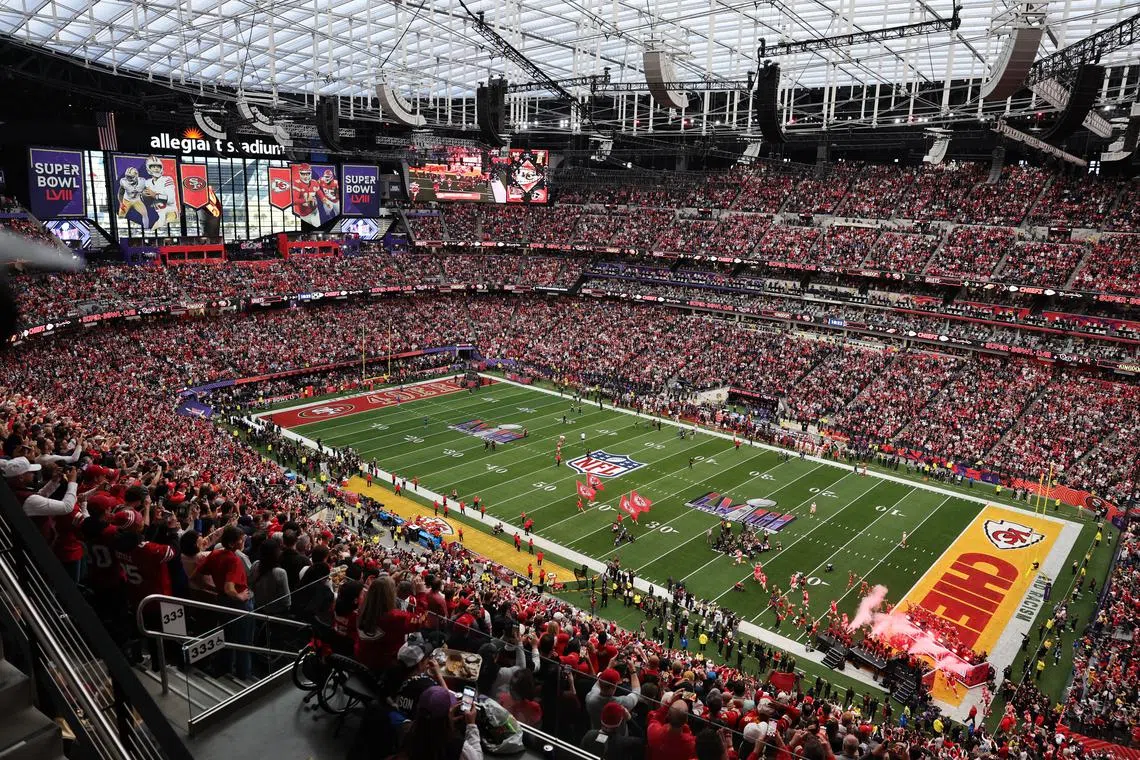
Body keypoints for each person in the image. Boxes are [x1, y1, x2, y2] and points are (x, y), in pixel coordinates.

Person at [393, 685, 482, 760]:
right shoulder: (456, 746)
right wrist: (471, 725)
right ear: (446, 715)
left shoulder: (405, 729)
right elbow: (477, 758)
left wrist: (448, 720)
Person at [356, 575, 412, 671]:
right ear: (390, 594)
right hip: (382, 664)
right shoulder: (395, 617)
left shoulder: (362, 609)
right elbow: (422, 621)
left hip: (361, 656)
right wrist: (421, 594)